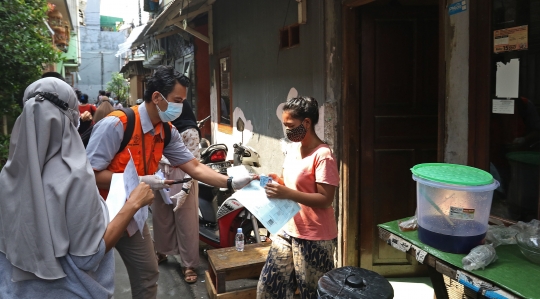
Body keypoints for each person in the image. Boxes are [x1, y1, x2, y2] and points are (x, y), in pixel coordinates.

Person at [86, 65, 254, 299]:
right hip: (101, 215)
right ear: (157, 97)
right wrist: (136, 181)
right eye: (177, 100)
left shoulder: (167, 131)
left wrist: (231, 181)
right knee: (93, 280)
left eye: (183, 101)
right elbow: (89, 175)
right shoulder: (117, 125)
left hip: (133, 215)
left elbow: (194, 166)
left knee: (147, 274)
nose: (181, 107)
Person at [0, 77, 155, 298]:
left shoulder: (7, 176)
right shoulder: (75, 177)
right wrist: (133, 204)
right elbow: (89, 258)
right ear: (70, 118)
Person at [256, 96, 339, 299]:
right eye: (285, 125)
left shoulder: (323, 155)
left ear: (307, 122)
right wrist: (278, 181)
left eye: (290, 125)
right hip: (288, 229)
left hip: (315, 236)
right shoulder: (294, 148)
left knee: (311, 293)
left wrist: (287, 193)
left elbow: (325, 199)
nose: (287, 130)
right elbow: (292, 183)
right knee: (269, 288)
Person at [153, 99, 201, 283]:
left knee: (186, 221)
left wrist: (187, 186)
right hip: (160, 174)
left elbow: (194, 160)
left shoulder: (189, 131)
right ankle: (162, 251)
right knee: (161, 217)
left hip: (183, 175)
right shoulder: (161, 127)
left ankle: (188, 264)